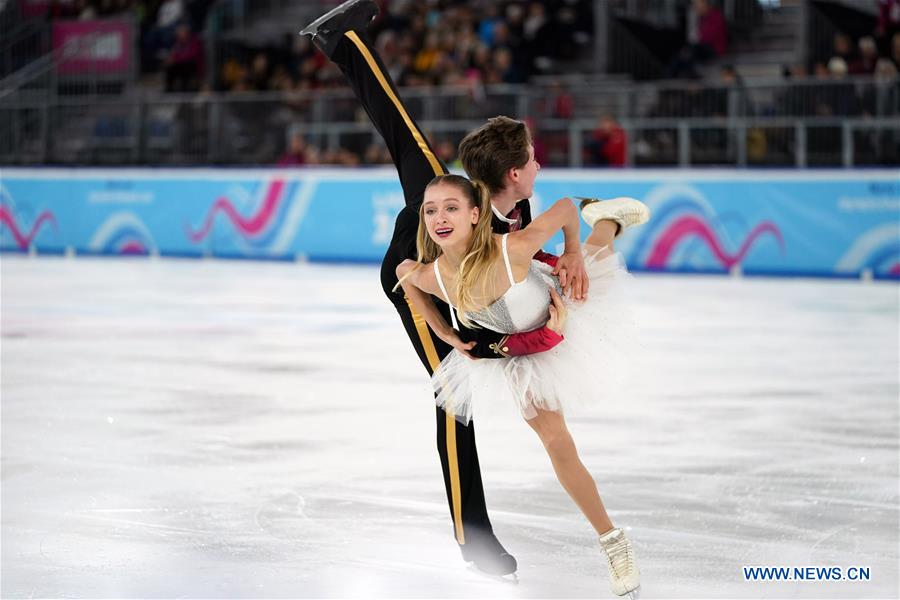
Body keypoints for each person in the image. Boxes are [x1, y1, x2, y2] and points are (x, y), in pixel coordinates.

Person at [299, 0, 586, 579]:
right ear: (511, 174)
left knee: (408, 140)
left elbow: (558, 220)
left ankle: (344, 44)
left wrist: (576, 249)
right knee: (455, 400)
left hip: (442, 253)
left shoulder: (506, 205)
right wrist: (452, 338)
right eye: (531, 159)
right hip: (415, 281)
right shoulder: (474, 202)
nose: (538, 164)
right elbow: (422, 282)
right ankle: (472, 536)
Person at [395, 174, 647, 598]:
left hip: (562, 304)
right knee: (557, 441)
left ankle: (607, 220)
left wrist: (571, 253)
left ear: (476, 215)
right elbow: (406, 277)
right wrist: (445, 333)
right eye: (431, 209)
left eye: (452, 207)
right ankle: (613, 541)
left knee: (595, 258)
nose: (440, 217)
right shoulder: (432, 274)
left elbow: (566, 208)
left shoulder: (510, 251)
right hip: (521, 352)